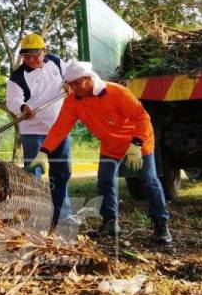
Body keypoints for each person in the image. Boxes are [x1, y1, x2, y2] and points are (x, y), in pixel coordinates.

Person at [29, 60, 172, 245]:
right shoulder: (73, 101)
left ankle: (161, 224)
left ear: (89, 78)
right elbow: (60, 127)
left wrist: (136, 144)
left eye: (77, 83)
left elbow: (142, 117)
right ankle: (110, 222)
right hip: (111, 145)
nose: (73, 87)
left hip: (136, 143)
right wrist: (44, 151)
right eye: (70, 84)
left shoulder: (116, 92)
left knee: (149, 180)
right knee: (105, 181)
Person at [6, 33, 71, 226]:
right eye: (26, 56)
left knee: (61, 172)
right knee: (34, 174)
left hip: (59, 129)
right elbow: (12, 101)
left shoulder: (57, 63)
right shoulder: (17, 78)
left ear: (44, 51)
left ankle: (63, 216)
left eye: (35, 55)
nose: (31, 59)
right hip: (33, 131)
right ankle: (35, 217)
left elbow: (70, 77)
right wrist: (23, 108)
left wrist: (69, 84)